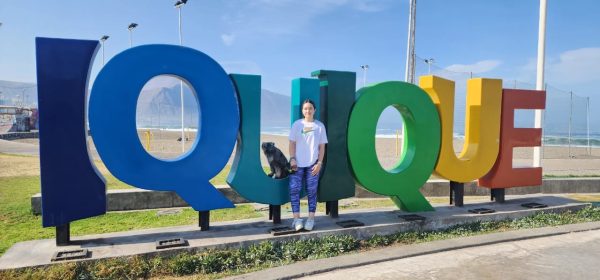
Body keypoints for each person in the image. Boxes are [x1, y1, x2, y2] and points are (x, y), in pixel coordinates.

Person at [288, 99, 327, 231]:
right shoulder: (297, 125)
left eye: (310, 108)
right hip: (297, 164)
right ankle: (296, 219)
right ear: (302, 110)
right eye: (305, 108)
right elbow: (292, 143)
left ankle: (311, 219)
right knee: (294, 190)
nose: (308, 111)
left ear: (314, 110)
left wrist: (319, 163)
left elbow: (322, 147)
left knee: (312, 192)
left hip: (313, 165)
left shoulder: (319, 126)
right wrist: (292, 158)